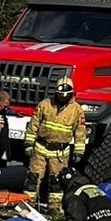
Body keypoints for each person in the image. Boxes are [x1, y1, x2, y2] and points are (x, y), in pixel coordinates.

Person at [24, 76, 87, 210]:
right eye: (60, 95)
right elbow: (33, 125)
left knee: (57, 182)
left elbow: (80, 132)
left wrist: (79, 151)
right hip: (40, 148)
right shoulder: (45, 105)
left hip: (60, 153)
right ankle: (28, 206)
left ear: (71, 94)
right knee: (32, 179)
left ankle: (54, 209)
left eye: (66, 95)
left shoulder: (77, 110)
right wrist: (29, 143)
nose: (63, 98)